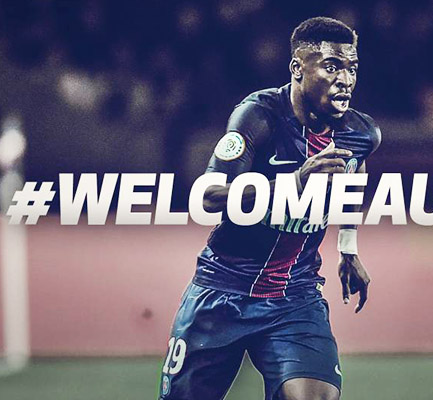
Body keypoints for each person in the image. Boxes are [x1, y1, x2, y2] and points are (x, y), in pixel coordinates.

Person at [159, 17, 381, 400]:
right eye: (332, 66)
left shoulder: (360, 133)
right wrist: (294, 182)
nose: (345, 79)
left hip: (295, 297)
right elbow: (209, 196)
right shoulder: (258, 116)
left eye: (352, 68)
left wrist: (348, 246)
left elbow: (355, 174)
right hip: (223, 291)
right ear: (297, 67)